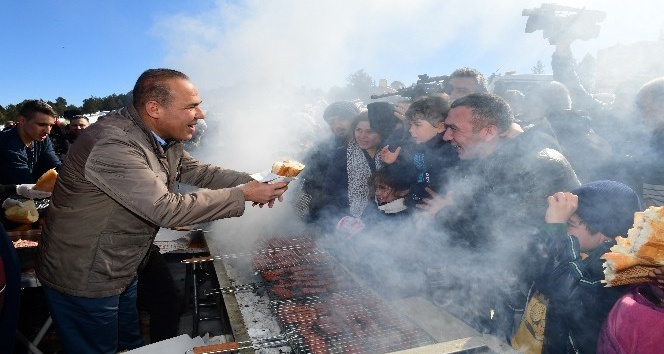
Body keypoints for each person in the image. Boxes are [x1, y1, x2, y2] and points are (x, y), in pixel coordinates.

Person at [34, 68, 289, 353]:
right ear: (154, 108)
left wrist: (254, 181)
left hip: (121, 264)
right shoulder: (113, 143)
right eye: (191, 106)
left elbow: (198, 171)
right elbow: (165, 208)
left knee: (129, 345)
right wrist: (243, 194)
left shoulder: (160, 138)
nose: (201, 114)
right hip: (85, 274)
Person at [422, 93, 580, 336]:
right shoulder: (489, 162)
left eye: (454, 129)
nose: (446, 136)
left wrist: (444, 216)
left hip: (536, 296)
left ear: (489, 131)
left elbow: (505, 237)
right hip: (507, 290)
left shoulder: (538, 163)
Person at [518, 180, 642, 353]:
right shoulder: (571, 248)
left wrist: (555, 229)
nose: (562, 230)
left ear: (605, 236)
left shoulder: (613, 273)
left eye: (568, 224)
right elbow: (534, 266)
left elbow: (560, 288)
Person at [320, 109, 397, 232]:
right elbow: (331, 192)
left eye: (369, 131)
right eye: (358, 130)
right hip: (350, 222)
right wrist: (342, 219)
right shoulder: (343, 154)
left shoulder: (391, 153)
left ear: (381, 133)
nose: (362, 136)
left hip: (386, 221)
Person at [379, 94, 459, 206]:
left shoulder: (449, 152)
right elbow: (404, 182)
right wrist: (392, 163)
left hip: (435, 214)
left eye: (417, 125)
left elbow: (444, 186)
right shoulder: (416, 148)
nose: (411, 130)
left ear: (440, 127)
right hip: (414, 210)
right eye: (410, 125)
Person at [297, 101, 361, 223]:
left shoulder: (369, 146)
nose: (336, 126)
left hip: (355, 220)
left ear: (355, 119)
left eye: (342, 119)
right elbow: (303, 169)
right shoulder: (324, 147)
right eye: (331, 122)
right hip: (322, 216)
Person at [0, 100, 61, 185]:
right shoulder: (6, 143)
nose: (48, 131)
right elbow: (25, 185)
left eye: (51, 125)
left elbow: (55, 165)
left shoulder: (43, 139)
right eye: (41, 124)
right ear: (22, 120)